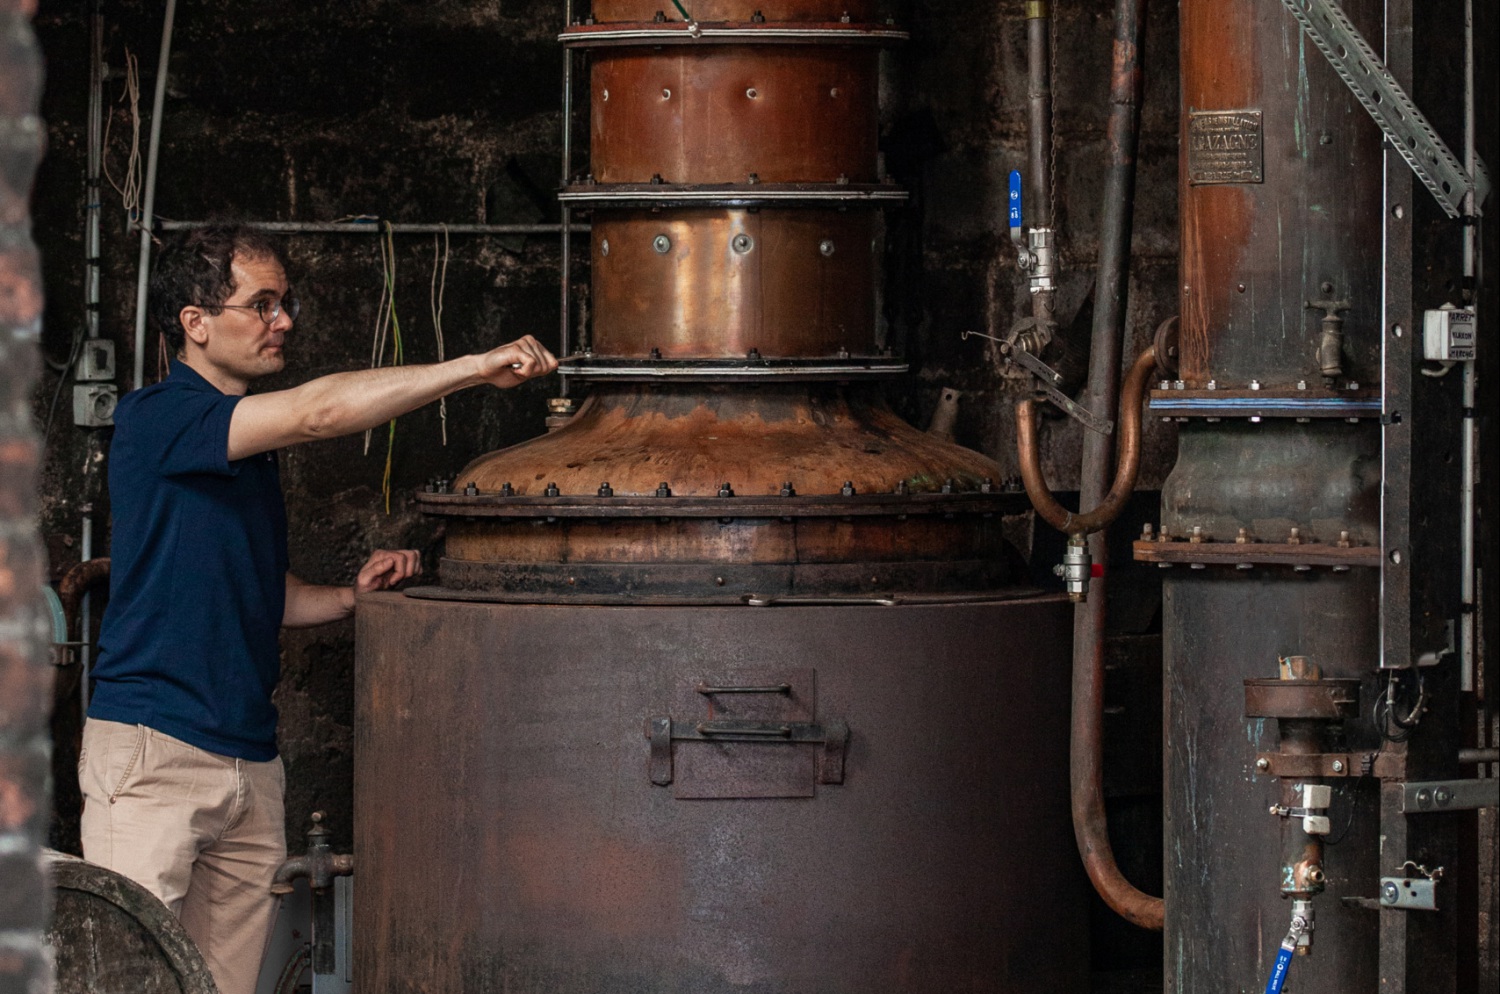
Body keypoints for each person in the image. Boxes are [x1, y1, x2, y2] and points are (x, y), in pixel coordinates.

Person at [79, 224, 557, 994]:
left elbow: (267, 593)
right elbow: (314, 412)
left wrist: (349, 598)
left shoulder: (245, 451)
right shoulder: (157, 418)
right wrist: (472, 369)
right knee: (130, 982)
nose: (284, 321)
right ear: (195, 324)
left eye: (286, 302)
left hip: (248, 763)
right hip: (152, 756)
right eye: (261, 304)